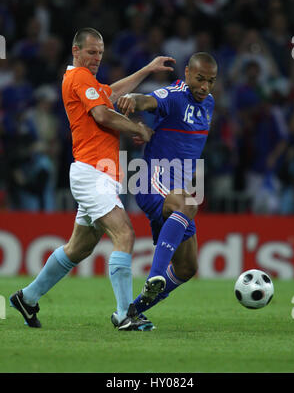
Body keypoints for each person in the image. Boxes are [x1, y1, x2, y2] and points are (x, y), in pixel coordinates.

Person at [10, 27, 175, 331]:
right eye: (91, 51)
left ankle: (27, 297)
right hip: (92, 172)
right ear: (76, 51)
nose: (97, 57)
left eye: (100, 52)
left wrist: (148, 69)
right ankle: (126, 313)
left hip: (99, 173)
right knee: (124, 234)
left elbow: (110, 93)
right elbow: (103, 114)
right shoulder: (78, 77)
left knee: (78, 248)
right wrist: (137, 128)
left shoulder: (86, 82)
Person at [113, 52, 217, 324]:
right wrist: (131, 100)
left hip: (175, 190)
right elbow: (148, 100)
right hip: (152, 179)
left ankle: (131, 312)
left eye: (211, 81)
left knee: (186, 267)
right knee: (189, 204)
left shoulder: (209, 104)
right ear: (186, 74)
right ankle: (154, 276)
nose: (205, 86)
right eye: (200, 79)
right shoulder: (174, 95)